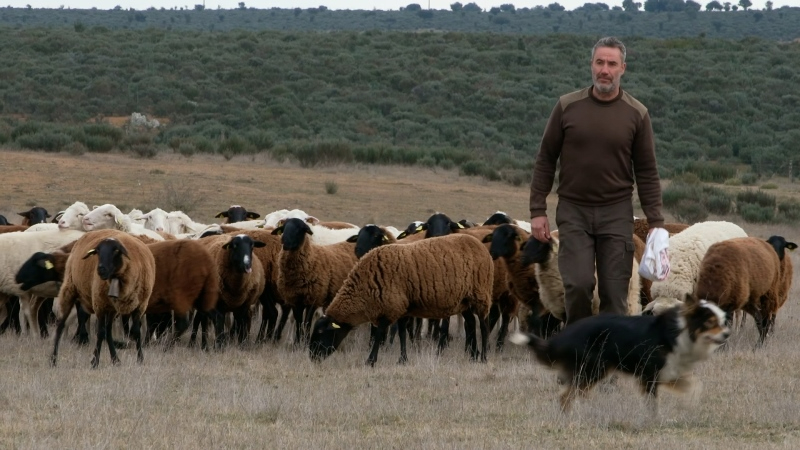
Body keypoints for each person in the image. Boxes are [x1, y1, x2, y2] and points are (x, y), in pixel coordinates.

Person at [529, 36, 664, 325]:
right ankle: (580, 351)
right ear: (591, 64)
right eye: (599, 62)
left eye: (612, 64)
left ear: (623, 68)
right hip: (573, 211)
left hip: (616, 214)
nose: (605, 70)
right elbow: (545, 159)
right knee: (578, 285)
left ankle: (609, 351)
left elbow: (647, 171)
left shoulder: (637, 114)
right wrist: (537, 210)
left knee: (615, 293)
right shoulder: (567, 106)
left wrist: (656, 222)